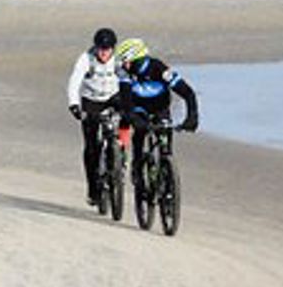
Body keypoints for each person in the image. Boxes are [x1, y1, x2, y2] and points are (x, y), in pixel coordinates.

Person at [114, 38, 198, 198]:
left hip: (160, 109)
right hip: (138, 108)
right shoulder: (125, 73)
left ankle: (167, 177)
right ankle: (137, 167)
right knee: (140, 132)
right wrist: (133, 118)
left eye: (126, 62)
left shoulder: (159, 69)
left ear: (137, 60)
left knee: (165, 141)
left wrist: (192, 118)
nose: (123, 66)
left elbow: (188, 93)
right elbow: (126, 102)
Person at [67, 27, 124, 207]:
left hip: (113, 98)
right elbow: (74, 81)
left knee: (126, 121)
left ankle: (120, 154)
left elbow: (128, 78)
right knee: (91, 147)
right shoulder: (86, 59)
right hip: (91, 101)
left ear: (113, 48)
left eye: (107, 49)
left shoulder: (119, 59)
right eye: (101, 49)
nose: (104, 53)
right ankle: (93, 188)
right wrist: (74, 105)